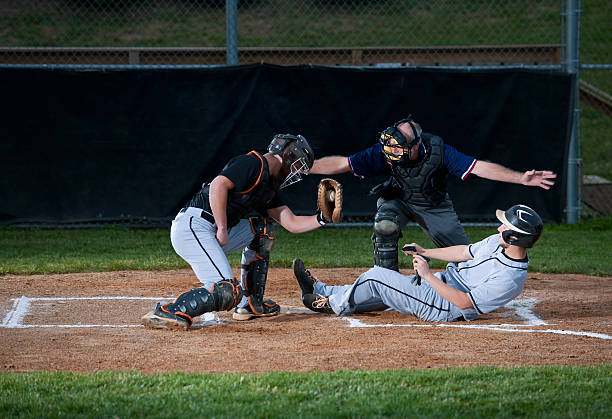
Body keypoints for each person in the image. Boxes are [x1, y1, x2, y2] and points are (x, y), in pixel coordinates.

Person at [310, 115, 556, 271]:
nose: (391, 153)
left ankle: (475, 284)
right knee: (385, 225)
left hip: (433, 205)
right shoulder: (385, 151)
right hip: (399, 199)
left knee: (466, 258)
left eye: (399, 148)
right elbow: (344, 163)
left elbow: (478, 167)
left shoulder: (440, 151)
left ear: (416, 145)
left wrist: (521, 178)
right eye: (390, 148)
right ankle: (386, 281)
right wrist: (307, 168)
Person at [142, 134, 336, 330]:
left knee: (263, 230)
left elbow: (292, 222)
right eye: (297, 165)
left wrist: (322, 218)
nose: (295, 172)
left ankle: (250, 304)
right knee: (227, 290)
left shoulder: (268, 186)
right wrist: (223, 227)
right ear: (287, 156)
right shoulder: (254, 163)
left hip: (210, 230)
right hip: (194, 226)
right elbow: (218, 185)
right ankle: (170, 311)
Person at [292, 204, 542, 322]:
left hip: (444, 307)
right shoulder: (499, 243)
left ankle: (331, 304)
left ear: (514, 237)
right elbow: (464, 252)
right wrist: (427, 252)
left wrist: (429, 275)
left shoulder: (511, 279)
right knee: (385, 292)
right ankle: (322, 291)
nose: (499, 227)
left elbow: (465, 303)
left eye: (505, 227)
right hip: (442, 286)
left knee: (377, 276)